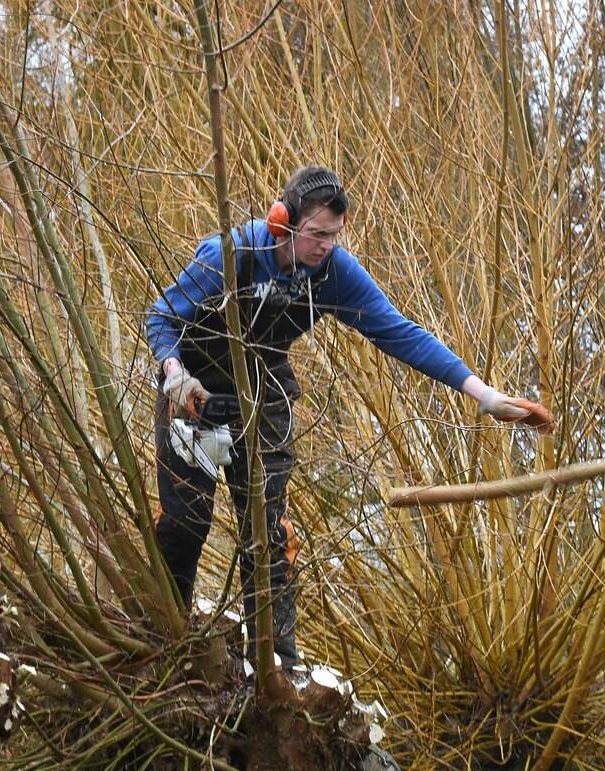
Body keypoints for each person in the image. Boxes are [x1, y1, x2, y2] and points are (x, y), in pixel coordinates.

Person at [145, 165, 554, 669]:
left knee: (267, 534)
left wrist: (483, 394)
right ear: (282, 224)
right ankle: (166, 642)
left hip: (263, 393)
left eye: (333, 237)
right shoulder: (231, 256)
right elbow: (161, 316)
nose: (324, 247)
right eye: (316, 235)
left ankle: (276, 672)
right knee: (186, 522)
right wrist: (174, 372)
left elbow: (400, 333)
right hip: (197, 391)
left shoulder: (334, 272)